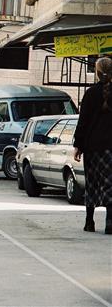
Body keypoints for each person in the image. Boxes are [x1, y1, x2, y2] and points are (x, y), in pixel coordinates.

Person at [74, 57, 112, 234]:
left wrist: (78, 146)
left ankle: (89, 222)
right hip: (110, 148)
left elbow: (83, 122)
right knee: (110, 183)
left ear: (97, 73)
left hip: (92, 147)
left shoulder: (90, 94)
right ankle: (110, 222)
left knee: (92, 182)